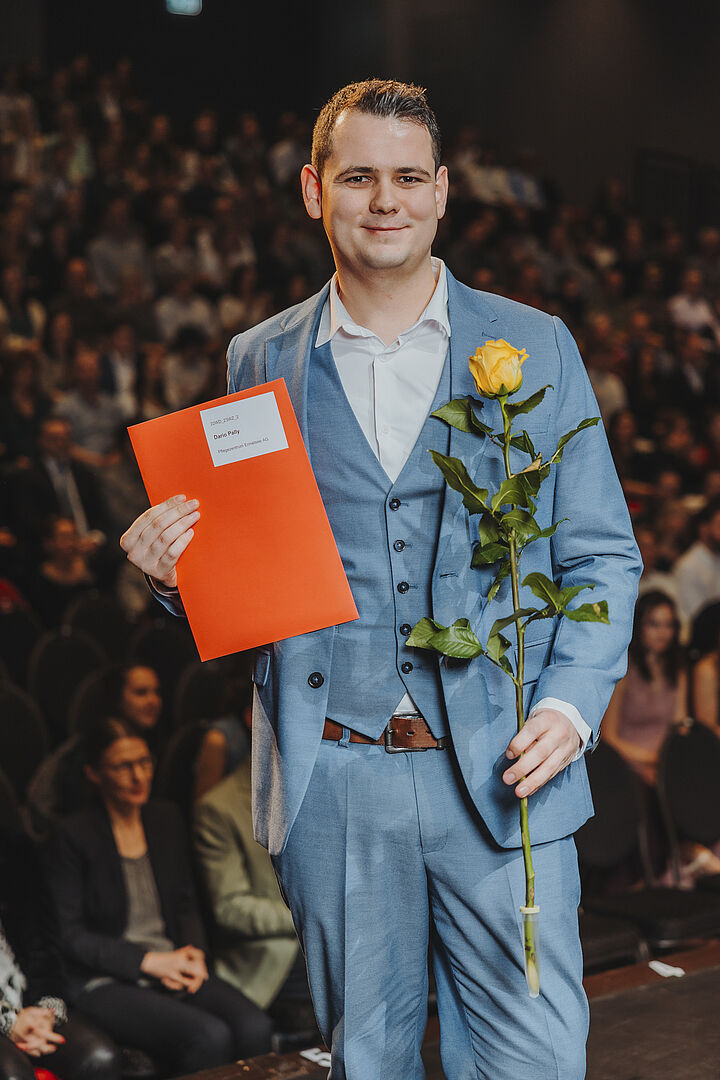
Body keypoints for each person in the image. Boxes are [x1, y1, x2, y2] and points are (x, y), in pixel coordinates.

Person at [121, 80, 641, 1079]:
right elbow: (249, 578)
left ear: (442, 191)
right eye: (360, 176)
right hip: (337, 781)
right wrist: (175, 579)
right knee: (368, 1062)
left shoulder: (536, 345)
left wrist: (572, 705)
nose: (386, 199)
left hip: (505, 771)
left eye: (408, 177)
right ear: (315, 190)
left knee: (537, 1062)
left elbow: (602, 554)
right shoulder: (258, 358)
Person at [45, 717, 273, 1074]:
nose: (139, 776)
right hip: (105, 978)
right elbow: (71, 936)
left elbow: (185, 902)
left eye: (144, 762)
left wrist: (195, 954)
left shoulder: (165, 818)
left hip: (172, 963)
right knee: (209, 1036)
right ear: (94, 773)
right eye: (123, 767)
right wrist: (146, 961)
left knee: (255, 1026)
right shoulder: (73, 836)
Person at [0, 824, 120, 1080]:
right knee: (12, 1074)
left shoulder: (14, 848)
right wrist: (7, 1021)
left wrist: (47, 1010)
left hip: (27, 997)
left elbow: (44, 947)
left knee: (98, 1056)